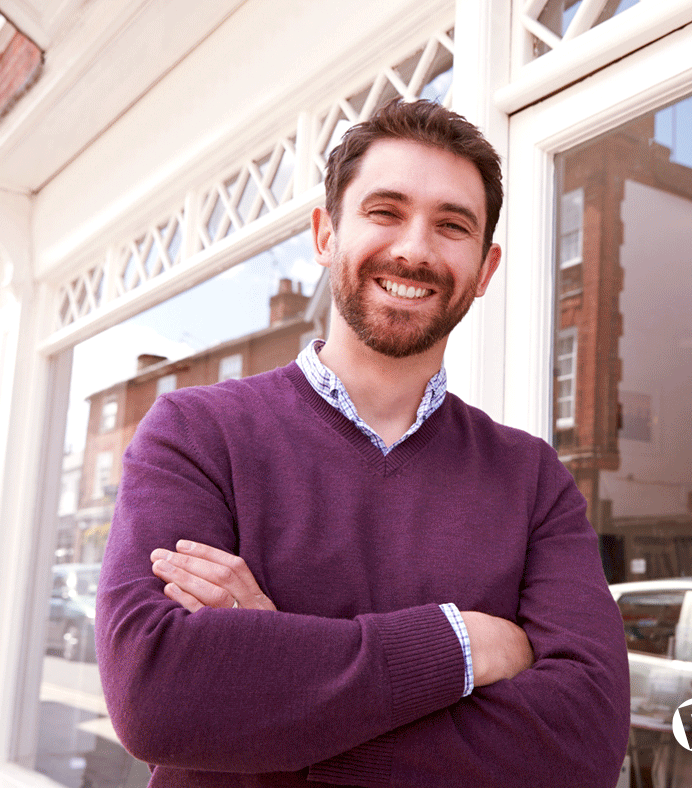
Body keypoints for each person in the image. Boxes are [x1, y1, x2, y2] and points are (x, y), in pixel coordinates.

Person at [96, 99, 631, 788]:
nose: (414, 248)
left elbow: (581, 745)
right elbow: (157, 695)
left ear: (486, 268)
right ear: (326, 234)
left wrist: (274, 695)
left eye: (451, 225)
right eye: (385, 211)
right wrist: (464, 644)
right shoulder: (197, 433)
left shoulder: (532, 479)